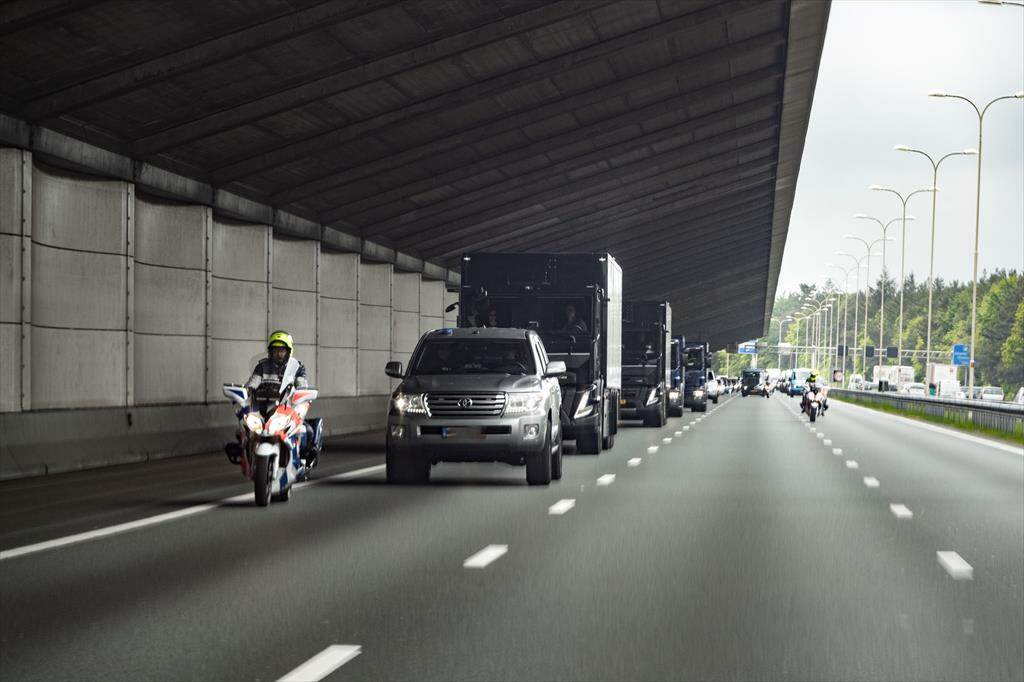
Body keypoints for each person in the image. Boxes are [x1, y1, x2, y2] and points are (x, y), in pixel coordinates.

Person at [228, 330, 321, 469]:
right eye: (275, 350)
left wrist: (303, 394)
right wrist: (244, 393)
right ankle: (243, 451)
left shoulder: (297, 368)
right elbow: (252, 383)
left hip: (286, 408)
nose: (278, 354)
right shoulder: (261, 367)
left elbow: (302, 385)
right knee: (243, 426)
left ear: (288, 352)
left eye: (282, 350)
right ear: (270, 351)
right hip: (262, 406)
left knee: (305, 430)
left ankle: (304, 457)